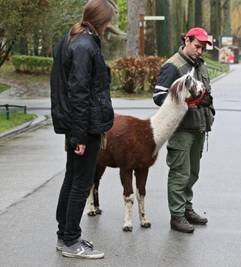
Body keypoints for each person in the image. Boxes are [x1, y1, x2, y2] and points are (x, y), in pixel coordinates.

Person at [50, 0, 115, 259]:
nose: (110, 25)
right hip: (83, 126)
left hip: (76, 124)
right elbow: (78, 93)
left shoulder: (71, 38)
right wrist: (79, 136)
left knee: (72, 178)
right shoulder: (85, 45)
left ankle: (64, 235)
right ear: (102, 21)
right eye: (109, 20)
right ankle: (71, 241)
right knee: (81, 182)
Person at [153, 27, 215, 234]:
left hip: (199, 127)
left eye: (203, 48)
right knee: (180, 173)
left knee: (193, 173)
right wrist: (185, 101)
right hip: (181, 129)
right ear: (186, 41)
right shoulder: (173, 66)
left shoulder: (200, 65)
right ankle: (177, 216)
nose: (200, 51)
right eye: (197, 46)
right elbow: (158, 97)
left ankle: (187, 208)